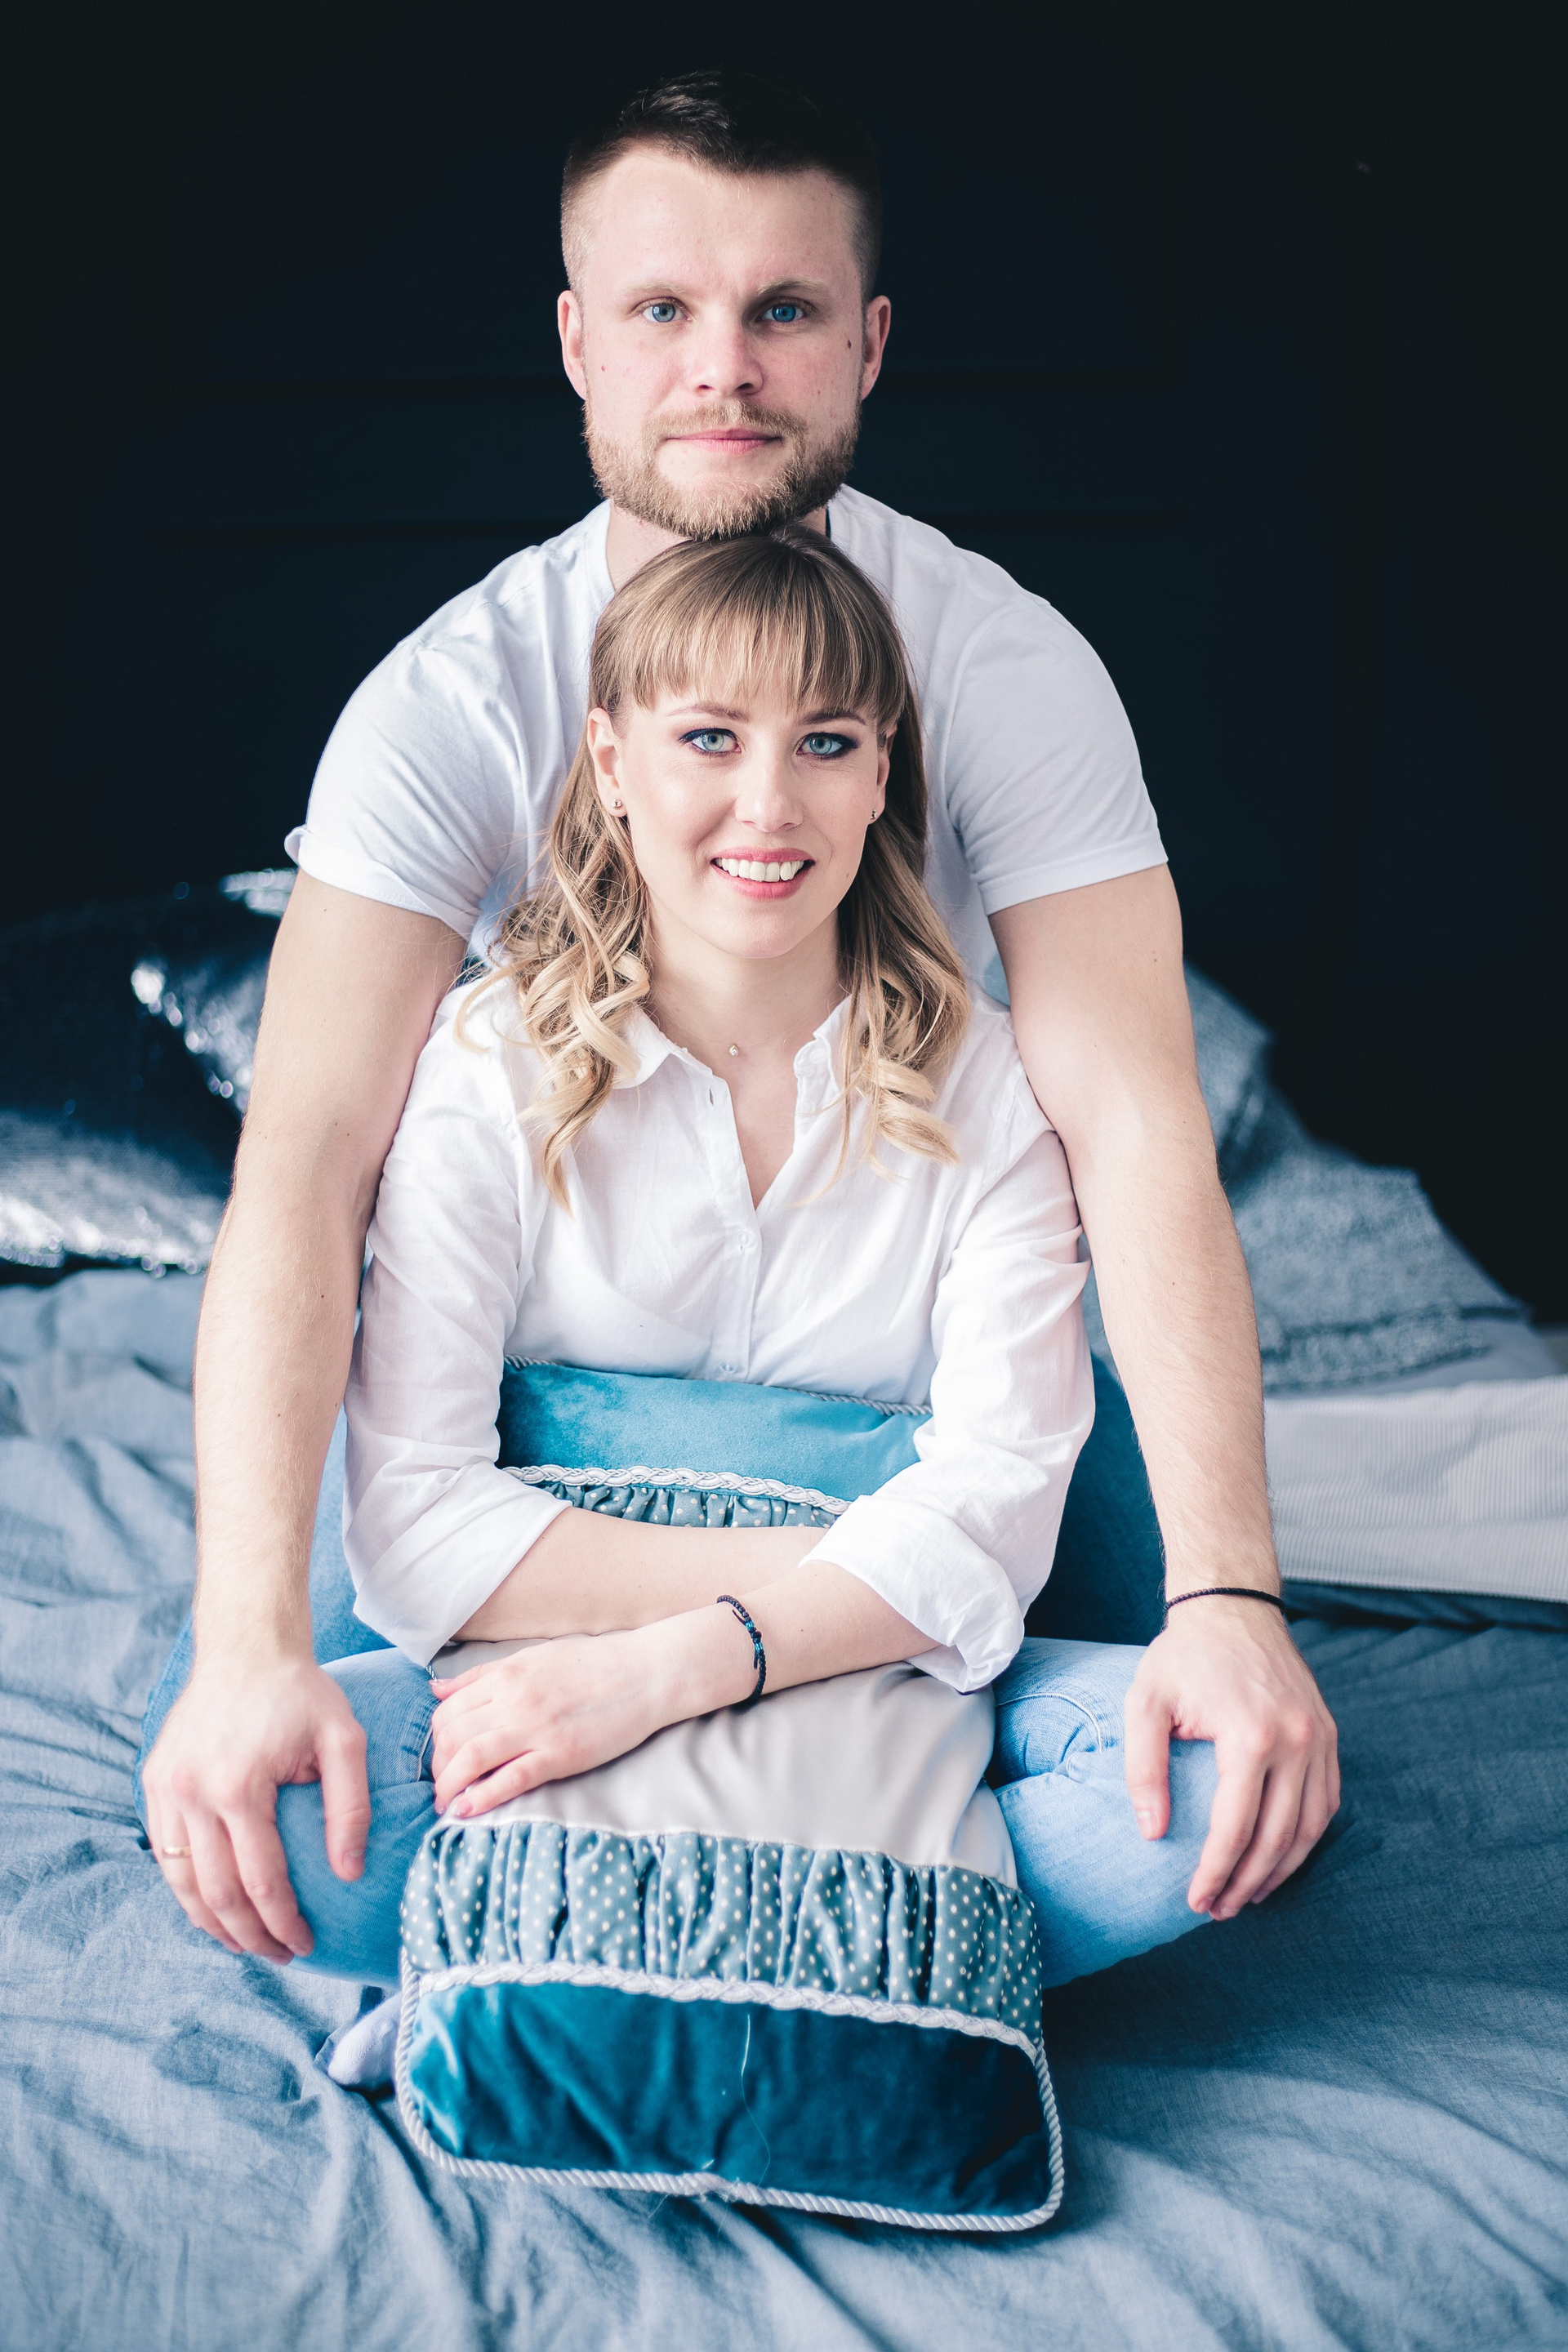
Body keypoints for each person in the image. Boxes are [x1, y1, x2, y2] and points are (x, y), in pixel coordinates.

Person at [142, 68, 1337, 1971]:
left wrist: (1232, 1600)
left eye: (783, 308)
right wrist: (243, 1648)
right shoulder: (451, 706)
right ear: (577, 343)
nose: (724, 370)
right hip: (558, 1459)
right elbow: (303, 1170)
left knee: (1214, 1781)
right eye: (663, 310)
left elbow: (1134, 1125)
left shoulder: (1006, 667)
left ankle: (752, 1904)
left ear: (868, 343)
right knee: (272, 1773)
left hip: (919, 1404)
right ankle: (830, 1895)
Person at [149, 527, 1239, 1990]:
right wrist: (870, 1580)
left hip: (851, 1697)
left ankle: (591, 1938)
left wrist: (667, 1672)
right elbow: (413, 1529)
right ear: (611, 763)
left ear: (883, 774)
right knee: (271, 1823)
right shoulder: (483, 1067)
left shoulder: (994, 1089)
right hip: (787, 1637)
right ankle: (854, 1948)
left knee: (1218, 1783)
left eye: (826, 743)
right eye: (709, 739)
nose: (767, 804)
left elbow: (996, 1519)